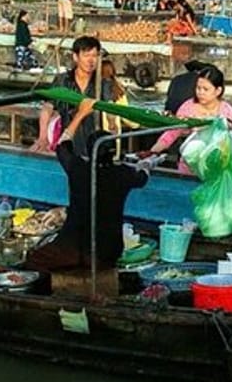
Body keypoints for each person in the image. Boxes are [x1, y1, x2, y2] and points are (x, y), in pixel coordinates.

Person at [27, 99, 149, 273]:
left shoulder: (78, 168)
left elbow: (62, 144)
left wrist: (81, 114)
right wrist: (146, 162)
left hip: (73, 247)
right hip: (107, 253)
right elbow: (144, 176)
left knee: (33, 260)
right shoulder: (122, 173)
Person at [144, 64, 232, 173]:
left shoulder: (227, 111)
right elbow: (172, 132)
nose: (200, 92)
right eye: (198, 88)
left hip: (217, 168)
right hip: (189, 167)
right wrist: (152, 152)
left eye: (205, 89)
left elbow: (230, 140)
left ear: (218, 91)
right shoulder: (188, 107)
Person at [31, 35, 111, 154]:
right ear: (75, 57)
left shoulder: (102, 83)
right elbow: (48, 107)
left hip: (93, 145)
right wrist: (43, 137)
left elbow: (109, 110)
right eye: (86, 55)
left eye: (94, 56)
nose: (91, 60)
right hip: (67, 142)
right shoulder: (63, 80)